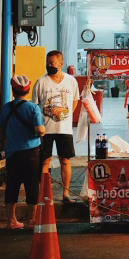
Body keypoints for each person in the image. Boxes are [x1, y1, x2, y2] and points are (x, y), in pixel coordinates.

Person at [0, 75, 46, 230]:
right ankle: (32, 221)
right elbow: (39, 130)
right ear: (28, 90)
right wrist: (41, 131)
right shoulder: (33, 108)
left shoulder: (6, 107)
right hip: (31, 154)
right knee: (32, 186)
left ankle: (11, 221)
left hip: (12, 153)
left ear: (13, 90)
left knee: (12, 185)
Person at [33, 50, 80, 203]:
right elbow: (34, 106)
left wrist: (66, 115)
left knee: (65, 160)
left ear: (61, 63)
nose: (49, 65)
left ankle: (65, 195)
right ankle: (44, 194)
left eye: (52, 63)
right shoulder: (41, 82)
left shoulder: (71, 81)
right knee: (44, 161)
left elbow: (75, 100)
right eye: (48, 63)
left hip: (64, 130)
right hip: (45, 130)